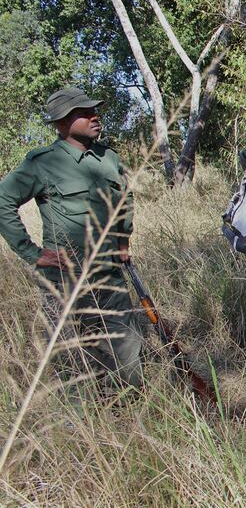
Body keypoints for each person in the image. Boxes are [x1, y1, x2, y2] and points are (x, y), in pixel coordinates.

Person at [0, 87, 142, 399]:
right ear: (62, 123)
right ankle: (80, 425)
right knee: (72, 358)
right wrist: (32, 254)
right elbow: (3, 201)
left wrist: (122, 240)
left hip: (110, 275)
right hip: (66, 280)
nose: (95, 116)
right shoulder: (42, 163)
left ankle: (130, 414)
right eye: (84, 112)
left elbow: (125, 200)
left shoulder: (109, 158)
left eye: (95, 110)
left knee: (128, 350)